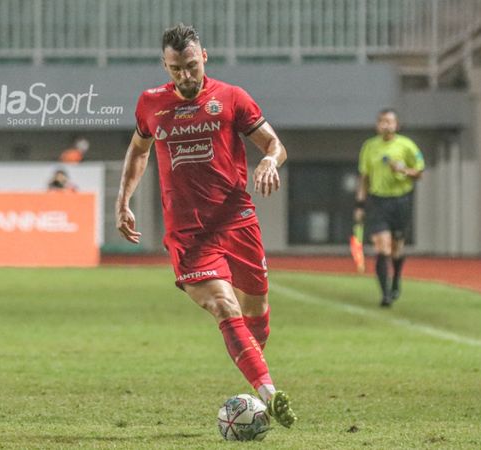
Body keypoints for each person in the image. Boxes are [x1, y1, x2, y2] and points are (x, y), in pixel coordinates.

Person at [115, 24, 296, 428]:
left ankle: (254, 380)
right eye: (176, 68)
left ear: (204, 58)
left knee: (256, 310)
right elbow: (139, 150)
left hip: (237, 222)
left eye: (191, 66)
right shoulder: (150, 104)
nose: (185, 76)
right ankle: (270, 393)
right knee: (222, 305)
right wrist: (123, 199)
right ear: (165, 64)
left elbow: (273, 143)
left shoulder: (232, 98)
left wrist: (270, 160)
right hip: (189, 234)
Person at [354, 109, 425, 307]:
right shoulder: (369, 147)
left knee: (396, 248)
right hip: (378, 201)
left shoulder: (407, 145)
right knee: (382, 246)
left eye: (390, 121)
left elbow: (420, 172)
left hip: (401, 200)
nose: (386, 125)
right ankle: (385, 294)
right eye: (383, 121)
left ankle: (396, 280)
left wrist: (404, 170)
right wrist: (360, 204)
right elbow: (364, 177)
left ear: (397, 125)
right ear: (378, 125)